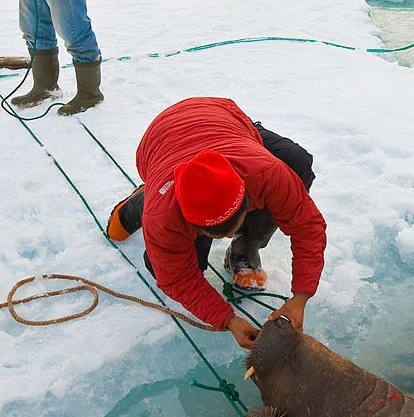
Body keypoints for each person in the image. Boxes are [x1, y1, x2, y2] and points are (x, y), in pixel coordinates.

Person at [106, 97, 324, 348]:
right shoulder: (164, 219)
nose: (227, 238)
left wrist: (301, 295)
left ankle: (245, 248)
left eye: (230, 232)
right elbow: (177, 279)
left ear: (248, 201)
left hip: (220, 118)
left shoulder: (266, 173)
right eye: (215, 234)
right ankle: (146, 197)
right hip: (160, 142)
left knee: (297, 162)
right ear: (193, 224)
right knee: (165, 263)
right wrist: (226, 319)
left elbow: (307, 227)